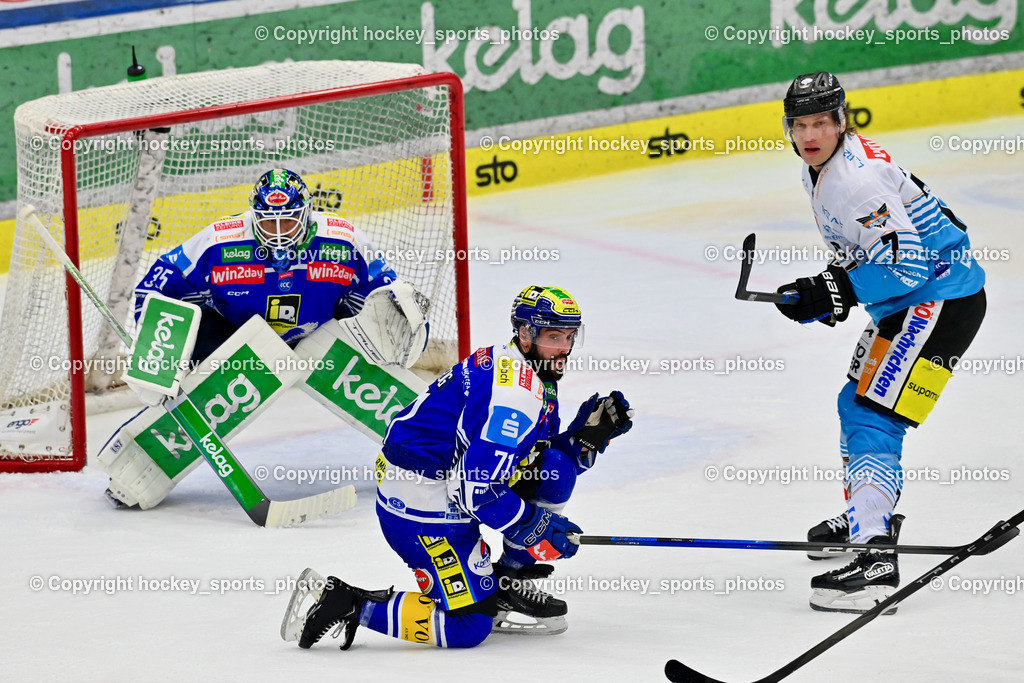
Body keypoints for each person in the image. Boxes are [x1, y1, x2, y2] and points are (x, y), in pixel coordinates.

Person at [281, 285, 634, 650]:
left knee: (556, 468)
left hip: (446, 483)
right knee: (469, 627)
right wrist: (536, 526)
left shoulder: (527, 370)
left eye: (569, 336)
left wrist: (584, 441)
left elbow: (526, 460)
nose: (563, 349)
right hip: (421, 507)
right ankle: (349, 603)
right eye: (553, 336)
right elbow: (475, 491)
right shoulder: (515, 395)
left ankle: (508, 580)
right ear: (526, 334)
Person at [775, 72, 986, 613]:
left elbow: (908, 262)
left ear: (842, 121)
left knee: (874, 414)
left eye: (822, 121)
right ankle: (867, 511)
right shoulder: (819, 168)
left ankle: (874, 558)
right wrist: (830, 292)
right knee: (856, 402)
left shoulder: (855, 181)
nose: (811, 134)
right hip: (914, 299)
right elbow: (868, 249)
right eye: (800, 124)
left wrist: (835, 290)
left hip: (938, 299)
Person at [102, 167, 426, 508]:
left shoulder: (344, 241)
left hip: (322, 332)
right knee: (223, 383)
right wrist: (158, 355)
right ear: (254, 215)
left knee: (365, 364)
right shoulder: (219, 242)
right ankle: (136, 466)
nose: (277, 234)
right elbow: (156, 287)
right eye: (268, 223)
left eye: (287, 222)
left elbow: (386, 294)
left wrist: (400, 326)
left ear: (306, 214)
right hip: (234, 332)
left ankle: (431, 446)